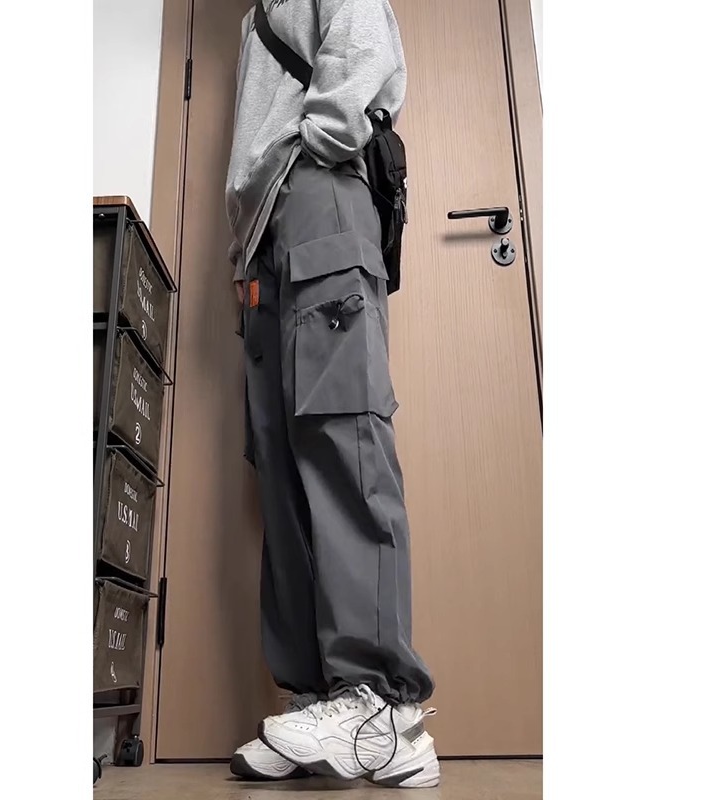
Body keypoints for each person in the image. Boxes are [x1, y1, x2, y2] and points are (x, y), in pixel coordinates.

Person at [226, 0, 439, 789]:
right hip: (263, 242)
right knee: (281, 462)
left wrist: (313, 155)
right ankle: (317, 699)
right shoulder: (252, 14)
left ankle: (382, 708)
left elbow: (360, 51)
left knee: (341, 434)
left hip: (318, 193)